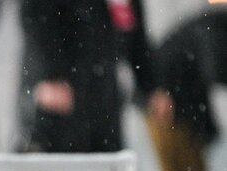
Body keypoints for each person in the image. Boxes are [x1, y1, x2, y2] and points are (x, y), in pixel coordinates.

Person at [15, 0, 167, 154]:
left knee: (106, 163)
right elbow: (36, 16)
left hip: (104, 95)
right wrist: (50, 74)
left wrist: (151, 87)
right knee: (53, 163)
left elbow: (136, 38)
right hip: (58, 93)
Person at [145, 10, 227, 171]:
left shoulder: (208, 25)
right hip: (167, 109)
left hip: (182, 109)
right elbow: (215, 69)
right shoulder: (213, 28)